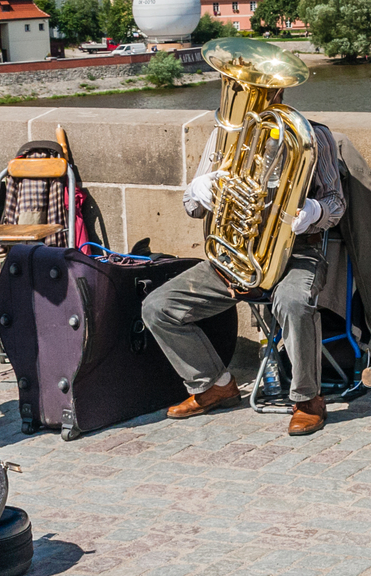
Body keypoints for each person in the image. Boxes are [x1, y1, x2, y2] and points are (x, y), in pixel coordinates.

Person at [143, 117, 346, 436]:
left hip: (296, 253)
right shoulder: (221, 135)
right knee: (158, 307)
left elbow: (336, 203)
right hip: (235, 255)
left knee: (293, 302)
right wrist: (198, 191)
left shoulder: (313, 134)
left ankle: (308, 400)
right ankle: (214, 385)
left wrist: (314, 211)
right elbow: (192, 208)